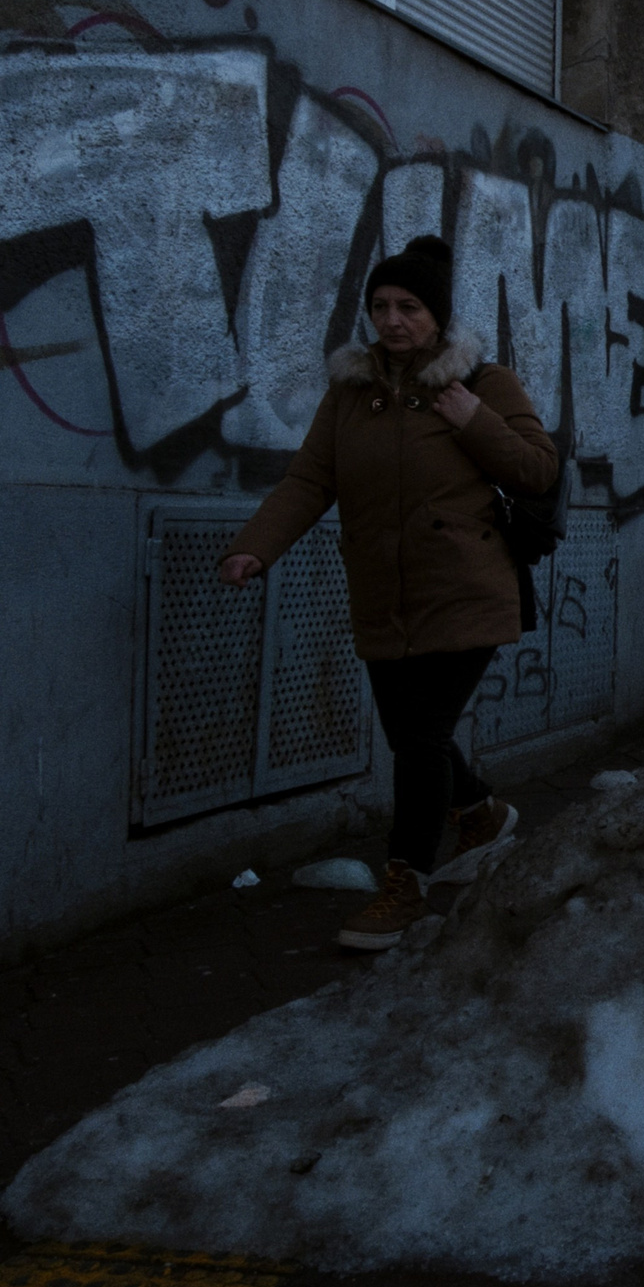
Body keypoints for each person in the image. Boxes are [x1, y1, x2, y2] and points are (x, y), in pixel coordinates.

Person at [218, 236, 558, 952]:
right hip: (381, 591)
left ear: (437, 317)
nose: (393, 321)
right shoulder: (350, 396)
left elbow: (535, 469)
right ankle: (479, 813)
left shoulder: (484, 384)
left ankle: (404, 885)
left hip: (465, 589)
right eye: (381, 306)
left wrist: (472, 420)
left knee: (423, 736)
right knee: (411, 736)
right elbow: (311, 480)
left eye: (409, 307)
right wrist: (256, 545)